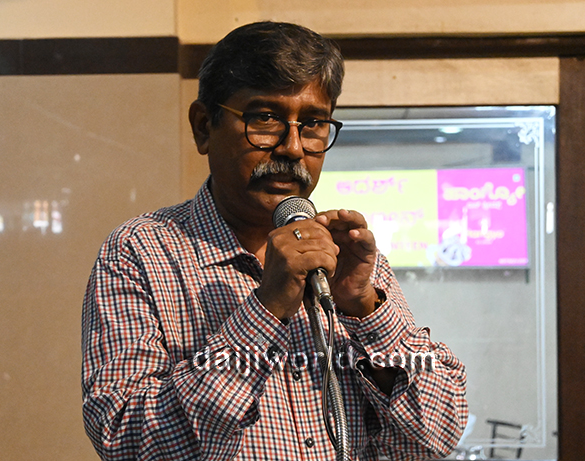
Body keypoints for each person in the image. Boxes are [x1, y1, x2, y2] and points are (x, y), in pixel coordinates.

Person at [81, 21, 468, 461]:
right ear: (204, 126)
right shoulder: (140, 250)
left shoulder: (344, 256)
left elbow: (434, 436)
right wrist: (266, 309)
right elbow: (125, 439)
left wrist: (363, 306)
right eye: (264, 118)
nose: (293, 148)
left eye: (313, 123)